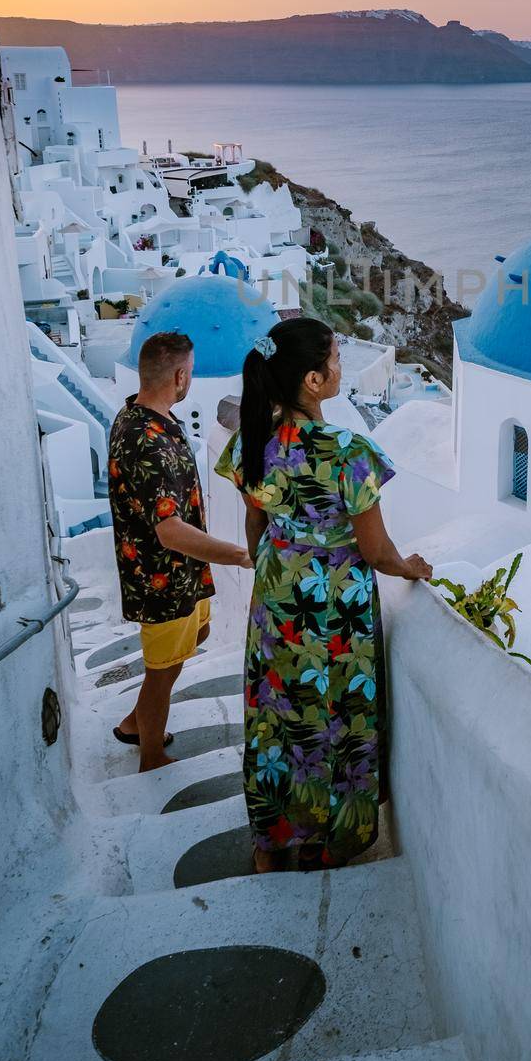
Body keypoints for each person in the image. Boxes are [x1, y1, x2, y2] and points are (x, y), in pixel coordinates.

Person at [215, 318, 431, 871]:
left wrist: (269, 585)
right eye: (335, 359)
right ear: (312, 379)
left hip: (276, 598)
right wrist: (412, 567)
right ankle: (327, 841)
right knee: (334, 715)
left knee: (277, 713)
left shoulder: (250, 442)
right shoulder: (348, 452)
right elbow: (377, 551)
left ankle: (271, 841)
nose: (340, 368)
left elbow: (255, 524)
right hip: (335, 609)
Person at [108, 330, 252, 772]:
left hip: (182, 575)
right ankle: (151, 753)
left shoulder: (139, 413)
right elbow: (169, 531)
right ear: (180, 376)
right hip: (161, 579)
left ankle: (136, 721)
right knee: (161, 670)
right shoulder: (147, 441)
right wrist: (239, 554)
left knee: (195, 639)